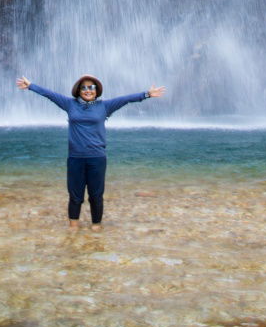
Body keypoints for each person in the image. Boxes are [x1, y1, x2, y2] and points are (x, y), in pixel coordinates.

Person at [16, 74, 166, 230]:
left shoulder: (104, 106)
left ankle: (96, 226)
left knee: (96, 195)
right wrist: (31, 85)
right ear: (79, 90)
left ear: (96, 90)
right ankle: (73, 227)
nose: (88, 90)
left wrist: (147, 94)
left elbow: (125, 99)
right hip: (75, 157)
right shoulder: (70, 104)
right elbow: (50, 94)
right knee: (75, 196)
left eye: (91, 87)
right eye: (84, 87)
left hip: (97, 158)